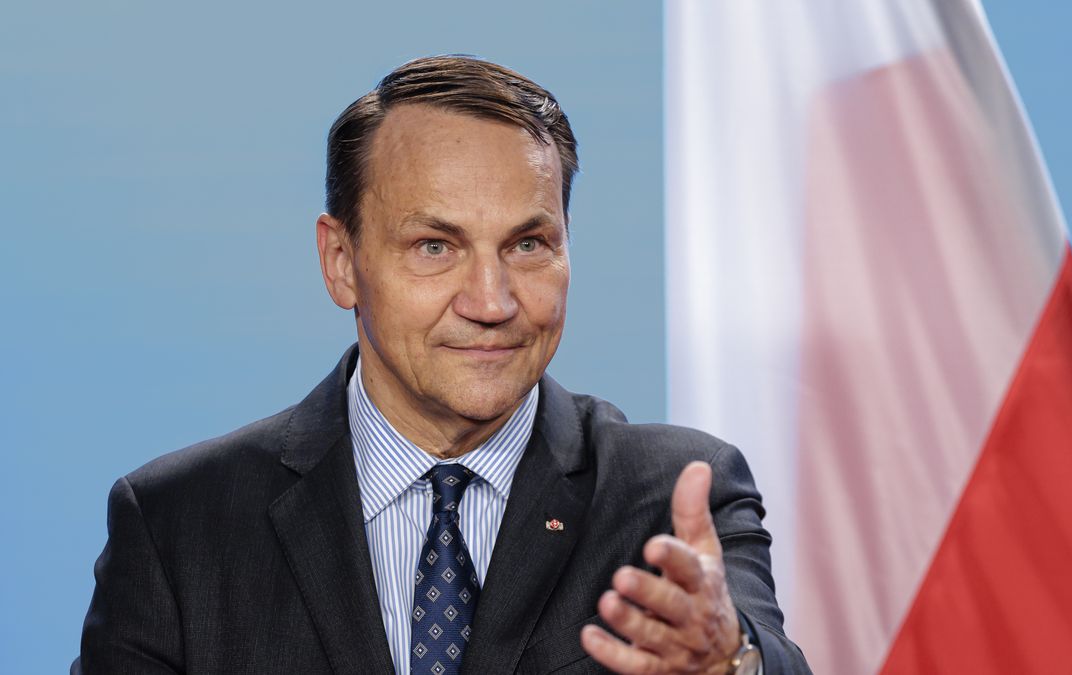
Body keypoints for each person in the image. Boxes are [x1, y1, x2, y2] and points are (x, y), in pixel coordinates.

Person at [74, 55, 812, 675]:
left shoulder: (672, 499)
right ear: (341, 261)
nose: (491, 301)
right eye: (435, 246)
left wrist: (732, 662)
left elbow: (763, 655)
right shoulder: (179, 525)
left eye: (528, 244)